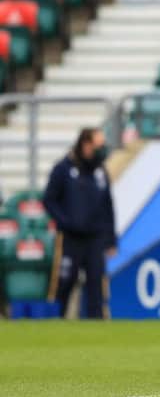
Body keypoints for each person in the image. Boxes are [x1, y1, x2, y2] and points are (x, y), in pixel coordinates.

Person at [43, 127, 117, 319]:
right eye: (99, 145)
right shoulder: (63, 169)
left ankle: (96, 324)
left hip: (95, 238)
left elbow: (108, 206)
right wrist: (65, 222)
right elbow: (49, 199)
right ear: (86, 144)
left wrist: (110, 239)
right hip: (70, 238)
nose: (102, 150)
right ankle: (55, 321)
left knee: (95, 283)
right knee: (64, 281)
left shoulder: (100, 171)